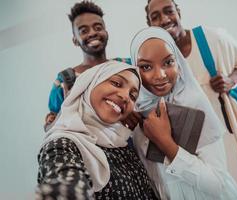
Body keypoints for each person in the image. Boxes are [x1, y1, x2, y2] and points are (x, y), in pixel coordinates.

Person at [144, 0, 237, 199]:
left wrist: (231, 79)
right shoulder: (156, 59)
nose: (164, 19)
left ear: (178, 12)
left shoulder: (209, 39)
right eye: (155, 16)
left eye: (169, 11)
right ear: (149, 24)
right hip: (193, 151)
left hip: (227, 140)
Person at [130, 26, 237, 200]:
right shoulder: (137, 111)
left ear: (179, 64)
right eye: (145, 67)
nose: (160, 75)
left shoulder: (194, 104)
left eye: (168, 62)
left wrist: (166, 143)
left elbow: (216, 184)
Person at [36, 61, 158, 199]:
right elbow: (64, 182)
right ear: (90, 83)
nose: (125, 97)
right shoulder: (62, 145)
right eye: (116, 83)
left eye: (133, 96)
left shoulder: (122, 143)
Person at [45, 1, 110, 127]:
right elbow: (49, 127)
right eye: (84, 31)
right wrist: (69, 108)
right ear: (75, 40)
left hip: (132, 146)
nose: (92, 33)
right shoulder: (64, 81)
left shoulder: (126, 66)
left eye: (98, 28)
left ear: (106, 32)